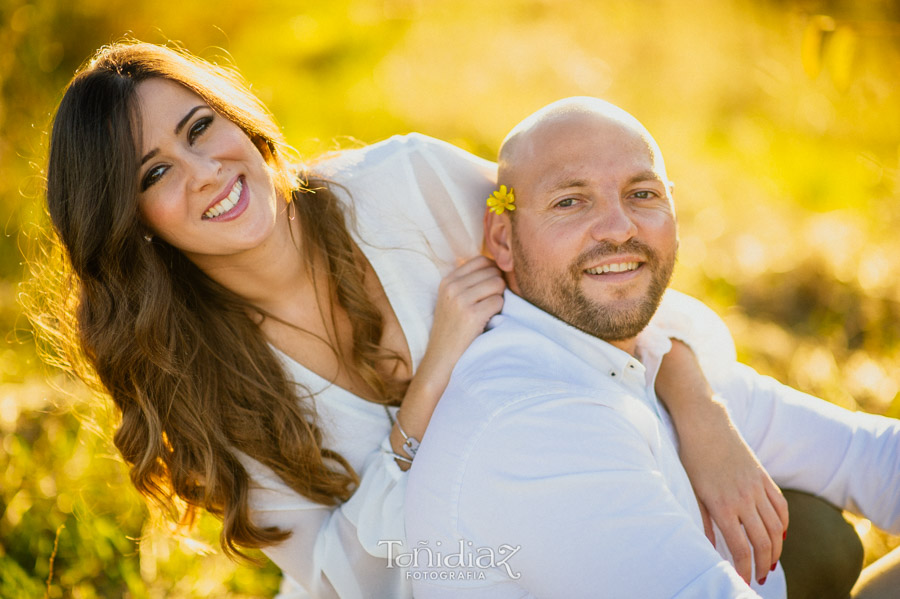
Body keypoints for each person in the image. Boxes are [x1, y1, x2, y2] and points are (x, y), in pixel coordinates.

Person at [32, 42, 847, 598]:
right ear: (134, 220)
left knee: (811, 534)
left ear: (239, 118)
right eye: (158, 172)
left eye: (201, 126)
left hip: (600, 494)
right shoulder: (195, 379)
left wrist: (698, 407)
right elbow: (339, 573)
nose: (207, 172)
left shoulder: (408, 185)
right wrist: (427, 390)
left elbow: (608, 279)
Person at [404, 97, 900, 598]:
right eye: (570, 202)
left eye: (642, 194)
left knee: (817, 529)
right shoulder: (531, 419)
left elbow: (872, 458)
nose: (620, 228)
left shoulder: (651, 362)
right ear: (503, 239)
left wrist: (700, 408)